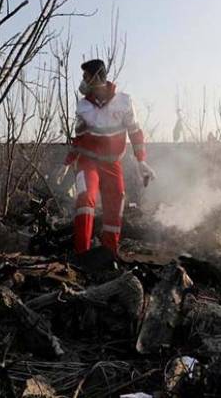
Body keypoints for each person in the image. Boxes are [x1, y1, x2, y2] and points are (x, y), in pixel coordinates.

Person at [56, 59, 156, 255]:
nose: (83, 81)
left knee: (116, 199)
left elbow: (135, 132)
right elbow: (79, 139)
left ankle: (109, 254)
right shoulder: (83, 106)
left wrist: (141, 160)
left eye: (86, 76)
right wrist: (67, 163)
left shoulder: (124, 102)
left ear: (97, 76)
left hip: (112, 163)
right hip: (87, 162)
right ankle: (81, 255)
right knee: (86, 199)